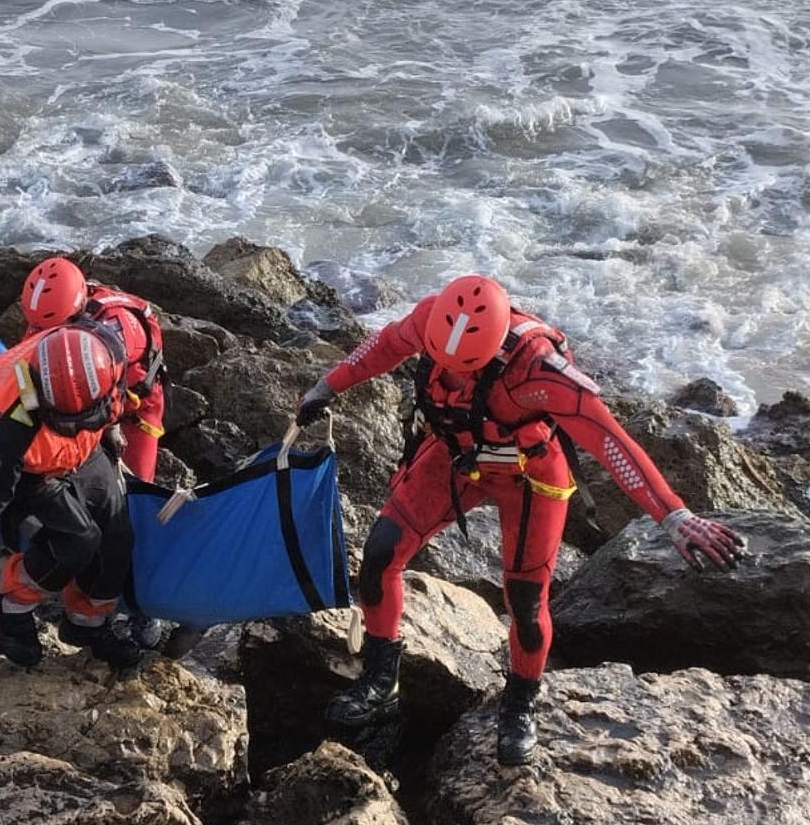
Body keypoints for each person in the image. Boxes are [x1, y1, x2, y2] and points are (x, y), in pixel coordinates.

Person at [296, 273, 744, 766]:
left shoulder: (540, 371)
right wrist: (326, 385)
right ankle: (383, 678)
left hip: (529, 475)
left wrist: (674, 515)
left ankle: (521, 702)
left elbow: (610, 440)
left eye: (465, 370)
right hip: (456, 457)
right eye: (443, 367)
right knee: (380, 554)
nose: (453, 379)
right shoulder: (430, 318)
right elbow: (384, 346)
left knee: (527, 605)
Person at [0, 320, 143, 671]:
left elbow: (119, 391)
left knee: (117, 533)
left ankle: (87, 625)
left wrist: (109, 427)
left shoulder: (106, 348)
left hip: (83, 448)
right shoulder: (0, 432)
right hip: (31, 471)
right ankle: (7, 605)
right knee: (77, 541)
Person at [18, 256, 166, 479]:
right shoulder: (59, 310)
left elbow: (107, 394)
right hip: (96, 386)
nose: (38, 331)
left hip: (136, 407)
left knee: (137, 486)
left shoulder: (113, 333)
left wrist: (110, 429)